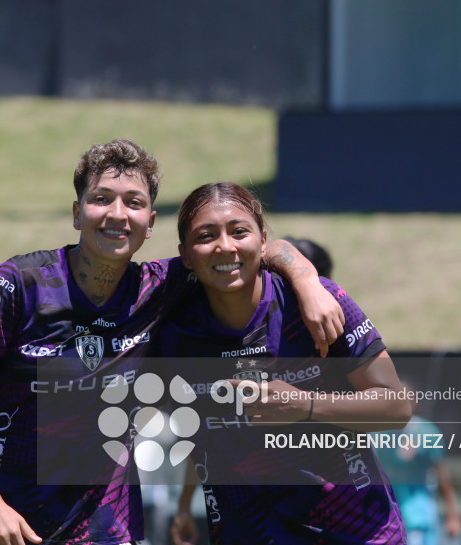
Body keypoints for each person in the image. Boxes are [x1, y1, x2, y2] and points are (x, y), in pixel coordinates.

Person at [0, 140, 345, 545]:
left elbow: (248, 246)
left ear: (150, 224)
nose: (117, 214)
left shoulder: (162, 288)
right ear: (78, 214)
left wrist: (308, 281)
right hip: (5, 524)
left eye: (133, 202)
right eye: (101, 199)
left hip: (105, 530)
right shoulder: (21, 284)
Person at [163, 182, 411, 544]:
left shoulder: (319, 304)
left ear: (262, 241)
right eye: (206, 235)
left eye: (238, 231)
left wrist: (305, 405)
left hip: (357, 530)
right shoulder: (171, 331)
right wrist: (184, 505)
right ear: (185, 255)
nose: (225, 246)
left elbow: (397, 407)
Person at [375, 382, 461, 545]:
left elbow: (443, 476)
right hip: (387, 518)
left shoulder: (427, 432)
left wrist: (453, 516)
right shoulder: (379, 431)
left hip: (417, 517)